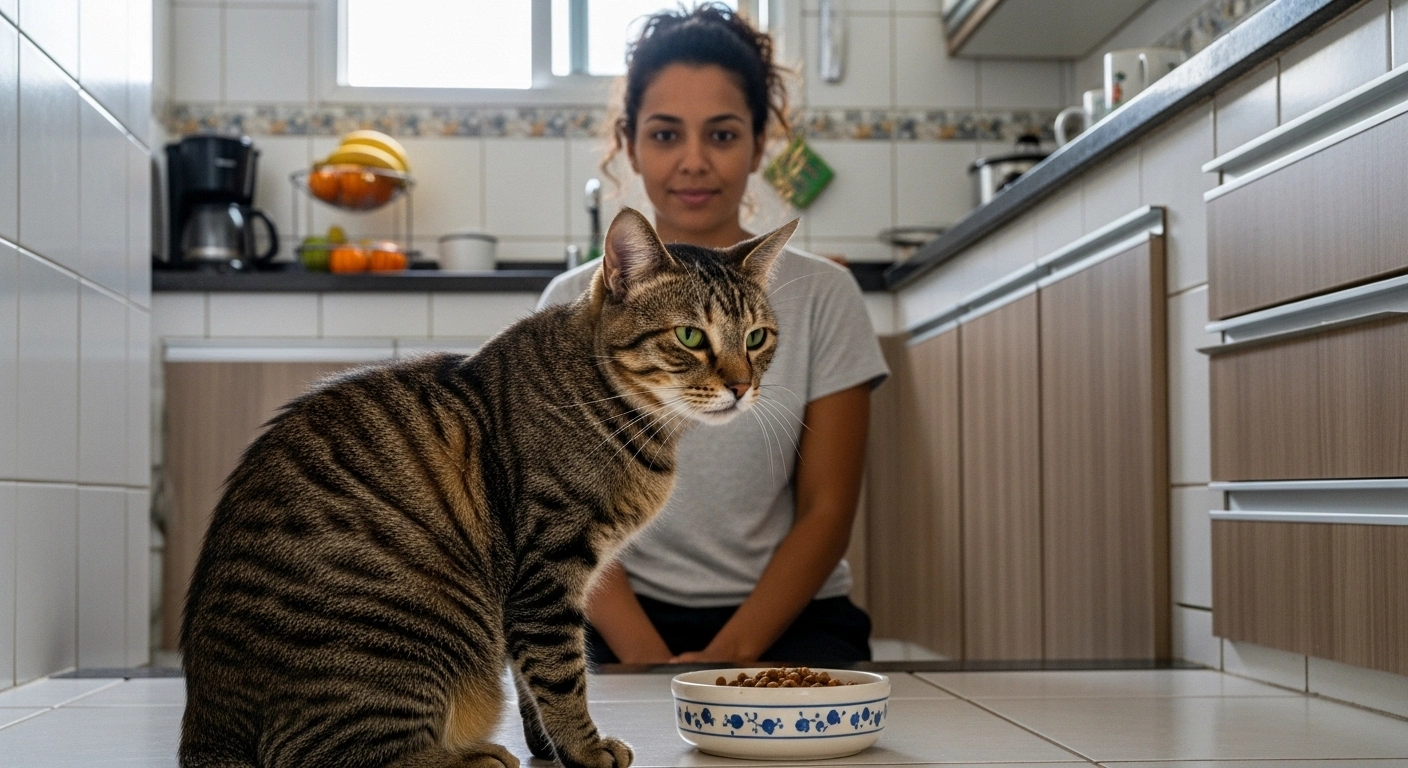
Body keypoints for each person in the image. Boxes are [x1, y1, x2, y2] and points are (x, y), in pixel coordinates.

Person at [537, 4, 887, 666]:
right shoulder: (568, 305)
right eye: (666, 135)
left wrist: (733, 653)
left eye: (722, 136)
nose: (694, 162)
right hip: (611, 617)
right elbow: (562, 512)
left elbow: (827, 511)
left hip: (789, 617)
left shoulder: (823, 296)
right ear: (630, 141)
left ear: (760, 143)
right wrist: (643, 657)